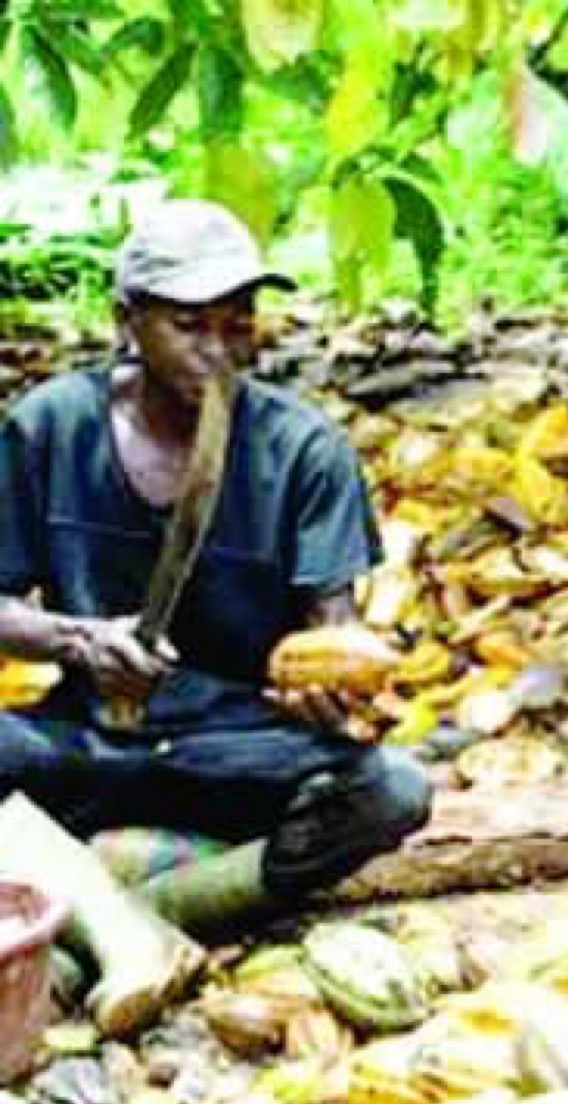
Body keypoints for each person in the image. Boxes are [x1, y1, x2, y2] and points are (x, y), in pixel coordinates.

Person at [0, 198, 430, 937]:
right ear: (126, 321)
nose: (218, 350)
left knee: (392, 789)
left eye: (238, 324)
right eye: (189, 325)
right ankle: (131, 903)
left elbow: (333, 632)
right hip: (88, 740)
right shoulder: (51, 427)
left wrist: (329, 700)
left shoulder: (305, 450)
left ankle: (163, 912)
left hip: (242, 752)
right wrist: (81, 640)